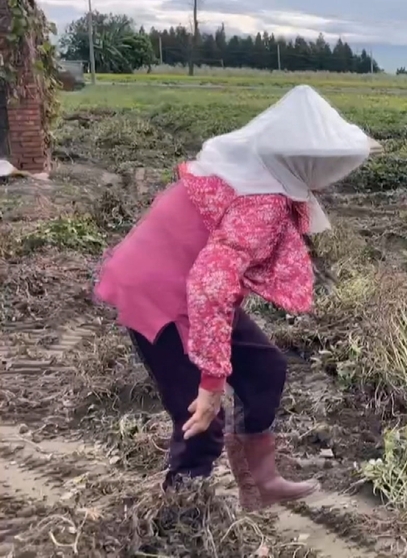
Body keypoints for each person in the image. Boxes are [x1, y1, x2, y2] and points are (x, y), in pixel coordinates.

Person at [93, 85, 376, 511]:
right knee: (200, 421)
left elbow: (213, 279)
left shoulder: (250, 172)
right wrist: (210, 385)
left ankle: (259, 483)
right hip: (161, 293)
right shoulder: (261, 201)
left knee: (264, 369)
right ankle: (181, 518)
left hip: (186, 284)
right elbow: (211, 285)